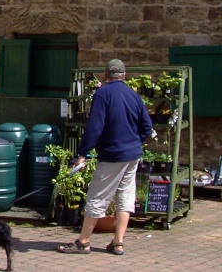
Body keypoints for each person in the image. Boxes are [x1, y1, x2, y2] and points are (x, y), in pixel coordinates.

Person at [57, 58, 152, 256]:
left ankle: (83, 242)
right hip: (132, 155)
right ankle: (118, 243)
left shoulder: (102, 94)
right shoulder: (134, 96)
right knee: (125, 197)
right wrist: (134, 142)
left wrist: (83, 153)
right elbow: (147, 127)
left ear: (105, 75)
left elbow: (95, 127)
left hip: (112, 155)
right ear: (124, 75)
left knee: (97, 197)